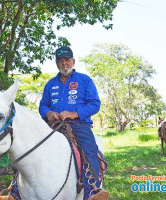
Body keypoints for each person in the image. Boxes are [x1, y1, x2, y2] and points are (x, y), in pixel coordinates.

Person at [39, 46, 109, 200]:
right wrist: (48, 113)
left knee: (89, 150)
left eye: (67, 60)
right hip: (54, 126)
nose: (64, 63)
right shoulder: (50, 84)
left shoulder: (85, 80)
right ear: (57, 64)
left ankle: (93, 191)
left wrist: (74, 114)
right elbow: (43, 105)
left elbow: (95, 104)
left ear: (73, 61)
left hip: (79, 126)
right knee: (32, 147)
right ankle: (15, 190)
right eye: (60, 61)